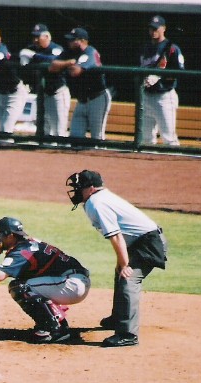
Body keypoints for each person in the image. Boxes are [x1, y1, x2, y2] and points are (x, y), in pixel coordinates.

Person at [66, 170, 167, 347]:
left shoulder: (98, 203)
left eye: (79, 188)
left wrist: (125, 264)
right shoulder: (97, 199)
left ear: (90, 188)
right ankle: (119, 317)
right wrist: (122, 263)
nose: (76, 191)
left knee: (128, 279)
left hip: (148, 244)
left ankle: (127, 334)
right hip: (140, 241)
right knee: (121, 272)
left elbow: (117, 236)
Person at [0, 217, 91, 343]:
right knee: (25, 282)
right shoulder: (30, 243)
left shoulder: (20, 251)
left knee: (20, 287)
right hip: (74, 281)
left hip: (71, 284)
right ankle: (57, 323)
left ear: (10, 236)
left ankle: (55, 329)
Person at [49, 28, 111, 140]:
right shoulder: (69, 53)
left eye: (73, 40)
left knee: (97, 138)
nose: (69, 42)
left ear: (82, 41)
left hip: (97, 98)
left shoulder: (90, 52)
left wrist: (65, 65)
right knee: (75, 137)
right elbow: (52, 66)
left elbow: (75, 71)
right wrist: (69, 62)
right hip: (81, 100)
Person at [139, 15, 184, 146]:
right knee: (146, 139)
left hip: (164, 96)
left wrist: (159, 77)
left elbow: (180, 73)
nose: (153, 31)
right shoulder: (145, 47)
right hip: (146, 95)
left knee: (169, 139)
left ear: (163, 29)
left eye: (156, 28)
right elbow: (140, 68)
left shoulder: (172, 48)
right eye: (151, 28)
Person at [19, 24, 70, 137]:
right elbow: (21, 57)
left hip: (58, 92)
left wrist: (34, 56)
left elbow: (54, 60)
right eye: (34, 37)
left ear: (47, 36)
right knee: (43, 128)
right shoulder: (33, 48)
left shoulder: (55, 48)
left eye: (38, 37)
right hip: (43, 93)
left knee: (59, 130)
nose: (35, 40)